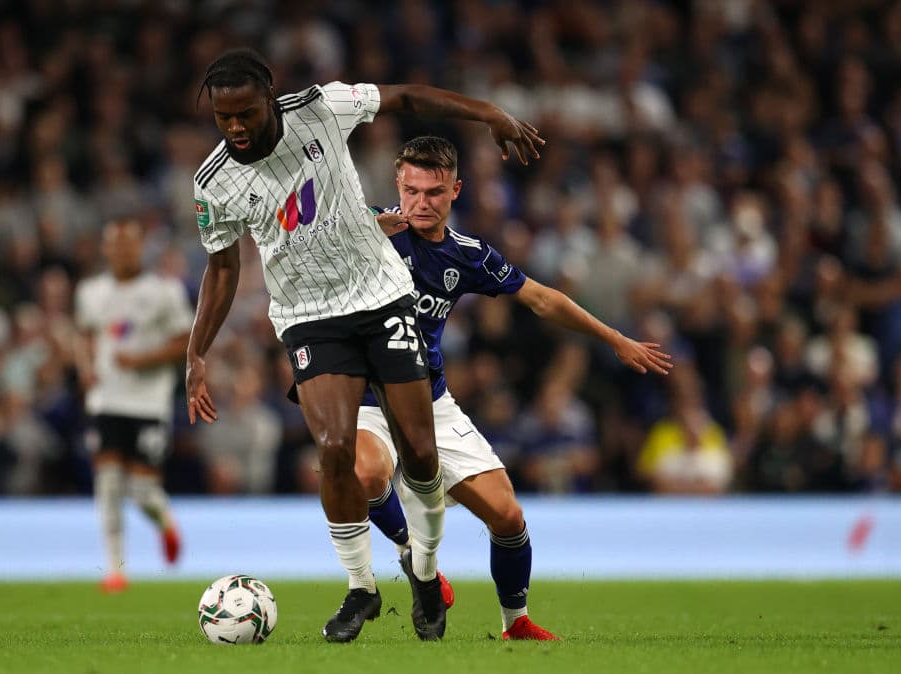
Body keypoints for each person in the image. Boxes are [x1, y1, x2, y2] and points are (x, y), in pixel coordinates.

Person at [186, 49, 544, 642]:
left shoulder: (322, 109)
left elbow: (403, 96)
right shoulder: (213, 180)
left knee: (422, 455)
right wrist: (197, 353)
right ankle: (362, 589)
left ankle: (425, 573)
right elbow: (221, 270)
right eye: (223, 119)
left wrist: (486, 113)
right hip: (308, 318)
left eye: (245, 113)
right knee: (334, 449)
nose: (236, 128)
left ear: (270, 96)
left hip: (381, 298)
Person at [357, 136, 672, 640]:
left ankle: (515, 623)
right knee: (367, 471)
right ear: (398, 184)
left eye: (434, 192)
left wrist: (614, 338)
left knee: (507, 515)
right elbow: (303, 233)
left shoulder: (467, 255)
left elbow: (543, 300)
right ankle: (416, 558)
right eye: (411, 190)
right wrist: (363, 228)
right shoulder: (366, 228)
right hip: (366, 399)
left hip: (431, 401)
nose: (420, 202)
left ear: (455, 190)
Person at [74, 217, 192, 593]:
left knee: (141, 491)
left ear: (141, 247)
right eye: (115, 244)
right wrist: (86, 369)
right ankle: (115, 570)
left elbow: (184, 342)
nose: (122, 251)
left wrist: (142, 360)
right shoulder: (91, 291)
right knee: (108, 483)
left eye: (129, 243)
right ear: (106, 249)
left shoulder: (164, 291)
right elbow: (84, 335)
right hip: (106, 399)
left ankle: (165, 522)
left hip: (148, 403)